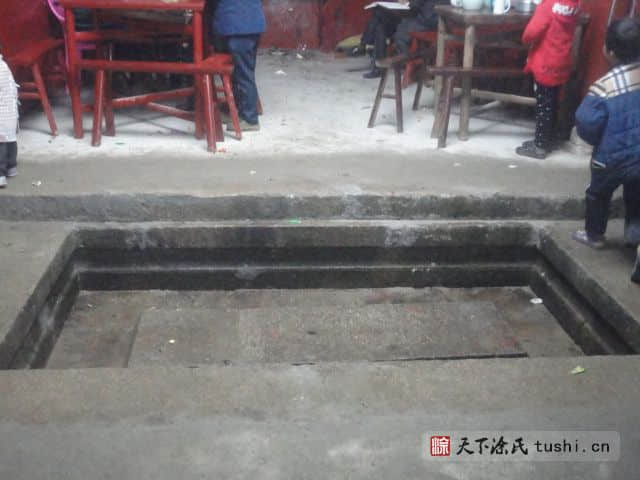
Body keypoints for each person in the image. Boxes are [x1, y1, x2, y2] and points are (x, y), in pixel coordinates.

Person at [571, 18, 640, 284]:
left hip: (610, 158)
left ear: (609, 51)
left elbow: (586, 122)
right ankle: (634, 238)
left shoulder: (604, 86)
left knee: (598, 194)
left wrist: (597, 140)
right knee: (636, 197)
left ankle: (594, 235)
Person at [516, 0, 580, 159]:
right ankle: (549, 139)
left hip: (545, 62)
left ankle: (540, 146)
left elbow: (531, 32)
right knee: (553, 103)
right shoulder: (573, 5)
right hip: (561, 60)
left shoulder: (548, 5)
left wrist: (524, 39)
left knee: (543, 106)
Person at [211, 0, 265, 131]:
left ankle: (249, 119)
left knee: (242, 73)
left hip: (238, 24)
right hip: (246, 22)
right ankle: (237, 109)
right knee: (241, 73)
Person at [361, 0, 443, 79]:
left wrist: (408, 2)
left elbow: (415, 5)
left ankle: (407, 62)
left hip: (427, 19)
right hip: (412, 14)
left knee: (384, 21)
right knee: (380, 21)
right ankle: (377, 64)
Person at [0, 47, 18, 189]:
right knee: (11, 139)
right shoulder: (4, 65)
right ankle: (12, 166)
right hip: (11, 111)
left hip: (1, 113)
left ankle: (0, 174)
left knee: (1, 143)